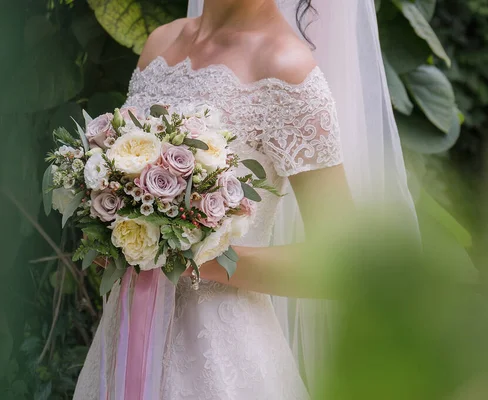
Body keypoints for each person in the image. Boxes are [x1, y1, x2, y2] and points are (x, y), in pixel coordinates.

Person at [73, 0, 416, 399]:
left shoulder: (286, 69)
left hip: (221, 358)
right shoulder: (161, 44)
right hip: (127, 336)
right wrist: (112, 234)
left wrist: (193, 256)